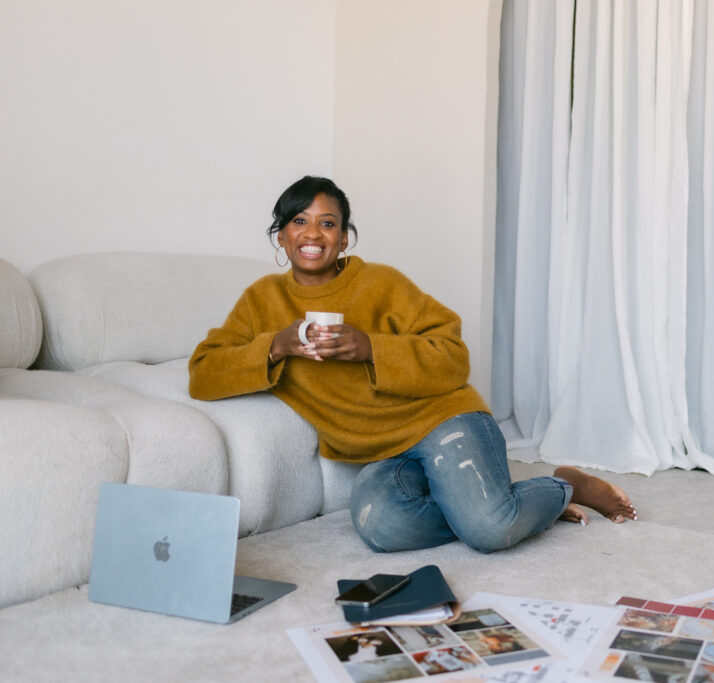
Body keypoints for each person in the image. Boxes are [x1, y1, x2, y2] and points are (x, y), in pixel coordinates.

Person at [188, 175, 637, 553]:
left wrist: (371, 349)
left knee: (490, 530)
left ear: (344, 238)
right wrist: (277, 346)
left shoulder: (380, 283)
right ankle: (488, 504)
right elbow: (203, 374)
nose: (312, 234)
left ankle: (561, 488)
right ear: (281, 235)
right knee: (382, 527)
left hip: (443, 420)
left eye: (328, 223)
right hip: (384, 453)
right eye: (299, 221)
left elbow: (454, 358)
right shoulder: (261, 300)